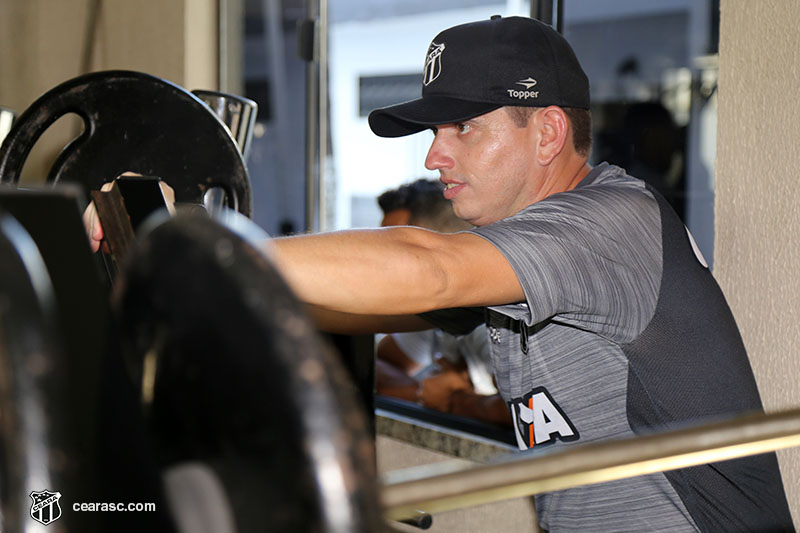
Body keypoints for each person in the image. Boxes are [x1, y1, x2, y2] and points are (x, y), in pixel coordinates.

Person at [87, 16, 793, 531]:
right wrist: (183, 260)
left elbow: (429, 268)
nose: (434, 156)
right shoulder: (517, 260)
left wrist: (192, 238)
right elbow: (359, 304)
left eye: (463, 128)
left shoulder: (610, 224)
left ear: (548, 132)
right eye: (433, 132)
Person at [375, 179, 510, 427]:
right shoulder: (436, 313)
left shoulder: (494, 321)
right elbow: (380, 364)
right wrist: (423, 393)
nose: (381, 267)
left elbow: (528, 414)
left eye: (392, 252)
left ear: (437, 251)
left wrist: (456, 401)